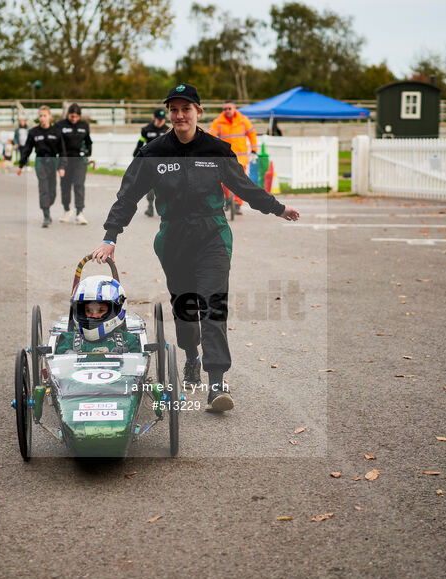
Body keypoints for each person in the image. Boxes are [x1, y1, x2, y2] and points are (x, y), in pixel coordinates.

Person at [92, 83, 301, 412]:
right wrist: (110, 235)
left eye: (185, 109)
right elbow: (128, 195)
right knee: (186, 308)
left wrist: (277, 208)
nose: (178, 115)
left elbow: (244, 186)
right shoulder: (153, 152)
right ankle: (191, 354)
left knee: (213, 305)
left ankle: (216, 381)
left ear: (198, 112)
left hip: (212, 234)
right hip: (173, 238)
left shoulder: (216, 149)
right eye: (173, 110)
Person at [55, 277, 142, 354]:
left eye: (101, 310)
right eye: (88, 310)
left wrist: (126, 354)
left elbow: (138, 363)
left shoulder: (128, 340)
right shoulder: (68, 339)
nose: (94, 315)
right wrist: (68, 354)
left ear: (116, 310)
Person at [18, 105, 66, 228]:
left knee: (52, 192)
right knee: (43, 187)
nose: (42, 118)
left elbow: (62, 151)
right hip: (40, 161)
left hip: (53, 161)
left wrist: (62, 167)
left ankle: (47, 205)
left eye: (45, 116)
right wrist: (21, 165)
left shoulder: (56, 132)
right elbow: (27, 149)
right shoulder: (34, 132)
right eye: (40, 116)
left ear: (49, 117)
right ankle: (46, 215)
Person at [209, 100, 257, 214]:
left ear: (234, 109)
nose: (227, 111)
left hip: (241, 158)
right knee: (223, 180)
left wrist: (254, 150)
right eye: (225, 109)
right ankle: (227, 199)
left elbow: (252, 134)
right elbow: (211, 135)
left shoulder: (243, 120)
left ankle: (238, 204)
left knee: (240, 182)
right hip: (224, 157)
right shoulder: (218, 122)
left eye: (229, 108)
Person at [56, 103, 92, 224]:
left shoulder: (84, 126)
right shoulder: (60, 125)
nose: (74, 119)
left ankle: (80, 212)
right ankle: (66, 210)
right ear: (67, 114)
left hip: (79, 160)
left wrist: (88, 154)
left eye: (76, 117)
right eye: (72, 116)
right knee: (65, 186)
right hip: (65, 160)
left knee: (79, 185)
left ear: (79, 116)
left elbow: (88, 142)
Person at [133, 108, 169, 217]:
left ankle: (165, 207)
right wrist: (136, 157)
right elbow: (140, 143)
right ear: (154, 118)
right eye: (159, 119)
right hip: (150, 162)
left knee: (165, 185)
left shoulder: (168, 130)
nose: (161, 121)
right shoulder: (146, 130)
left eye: (163, 119)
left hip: (164, 162)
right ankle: (150, 206)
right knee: (151, 186)